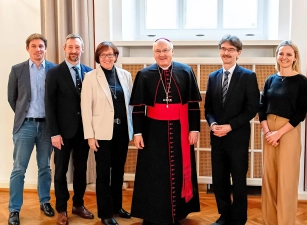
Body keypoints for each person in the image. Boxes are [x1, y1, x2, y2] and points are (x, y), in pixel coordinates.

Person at [130, 37, 201, 224]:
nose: (162, 54)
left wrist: (194, 129)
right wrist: (137, 133)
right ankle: (153, 213)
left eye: (165, 50)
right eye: (158, 51)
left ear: (172, 51)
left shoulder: (185, 71)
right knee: (153, 172)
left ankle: (178, 212)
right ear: (153, 53)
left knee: (178, 170)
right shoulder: (144, 74)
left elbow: (193, 104)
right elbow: (138, 108)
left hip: (180, 129)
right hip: (153, 131)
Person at [204, 35, 260, 225]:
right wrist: (213, 125)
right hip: (217, 138)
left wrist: (230, 126)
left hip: (237, 138)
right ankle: (224, 216)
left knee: (238, 181)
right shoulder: (213, 77)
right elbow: (208, 109)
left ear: (238, 53)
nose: (226, 53)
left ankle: (238, 219)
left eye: (231, 49)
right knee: (219, 180)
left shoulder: (248, 76)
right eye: (223, 49)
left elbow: (252, 109)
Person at [81, 41, 133, 225]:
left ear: (116, 56)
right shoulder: (90, 77)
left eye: (111, 54)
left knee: (119, 172)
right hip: (101, 134)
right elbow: (85, 108)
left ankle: (117, 207)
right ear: (98, 58)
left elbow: (130, 105)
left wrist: (133, 131)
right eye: (103, 55)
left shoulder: (125, 75)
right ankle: (105, 214)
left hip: (121, 132)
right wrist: (90, 136)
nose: (108, 58)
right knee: (103, 174)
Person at [7, 33, 57, 225]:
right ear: (27, 48)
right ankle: (14, 209)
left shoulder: (53, 69)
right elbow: (13, 99)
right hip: (25, 126)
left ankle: (45, 201)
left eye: (41, 46)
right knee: (19, 169)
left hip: (47, 126)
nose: (38, 50)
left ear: (46, 49)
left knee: (44, 167)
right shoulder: (17, 70)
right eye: (34, 46)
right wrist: (24, 114)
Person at [258, 40, 307, 225]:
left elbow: (300, 113)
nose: (284, 57)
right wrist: (267, 131)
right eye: (281, 53)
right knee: (270, 178)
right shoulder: (270, 79)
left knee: (286, 179)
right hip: (268, 131)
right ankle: (269, 220)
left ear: (295, 57)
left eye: (289, 54)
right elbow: (262, 107)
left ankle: (285, 221)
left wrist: (278, 133)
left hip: (288, 130)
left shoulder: (301, 81)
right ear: (277, 56)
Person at [45, 34, 94, 225]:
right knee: (60, 172)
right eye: (70, 47)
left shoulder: (90, 73)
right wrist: (54, 133)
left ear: (82, 49)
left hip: (84, 132)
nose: (74, 51)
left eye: (77, 47)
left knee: (81, 170)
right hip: (62, 134)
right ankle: (62, 209)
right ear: (64, 49)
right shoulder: (55, 73)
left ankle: (78, 204)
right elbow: (49, 104)